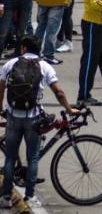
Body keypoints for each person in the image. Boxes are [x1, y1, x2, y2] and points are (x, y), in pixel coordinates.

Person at [0, 36, 78, 209]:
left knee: (10, 158)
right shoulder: (44, 66)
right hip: (33, 117)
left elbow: (1, 88)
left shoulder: (10, 64)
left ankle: (5, 197)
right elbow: (59, 92)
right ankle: (29, 196)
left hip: (13, 115)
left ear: (24, 49)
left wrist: (1, 109)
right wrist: (69, 109)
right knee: (32, 157)